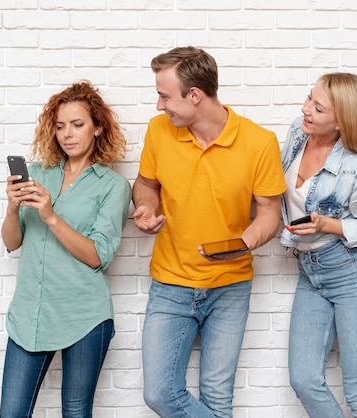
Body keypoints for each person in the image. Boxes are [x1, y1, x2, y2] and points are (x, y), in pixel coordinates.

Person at [132, 46, 287, 418]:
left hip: (230, 287)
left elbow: (269, 214)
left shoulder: (258, 142)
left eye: (165, 96)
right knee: (159, 393)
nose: (159, 106)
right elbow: (146, 184)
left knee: (217, 397)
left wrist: (242, 244)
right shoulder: (159, 131)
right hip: (171, 283)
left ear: (195, 95)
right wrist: (146, 207)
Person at [0, 80, 131, 417]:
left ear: (98, 128)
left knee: (75, 411)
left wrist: (49, 214)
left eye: (77, 124)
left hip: (84, 317)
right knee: (11, 413)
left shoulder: (113, 186)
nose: (67, 134)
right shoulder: (39, 174)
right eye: (59, 126)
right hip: (31, 314)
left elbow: (98, 255)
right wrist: (13, 207)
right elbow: (13, 242)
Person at [281, 72, 357, 418]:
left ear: (343, 121)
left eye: (317, 107)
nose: (305, 109)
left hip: (352, 274)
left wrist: (329, 224)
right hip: (310, 273)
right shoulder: (298, 134)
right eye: (308, 98)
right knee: (304, 378)